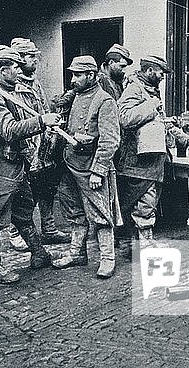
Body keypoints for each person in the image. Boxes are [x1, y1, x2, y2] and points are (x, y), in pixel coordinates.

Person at [0, 45, 62, 284]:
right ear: (1, 71)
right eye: (14, 68)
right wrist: (41, 121)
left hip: (13, 162)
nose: (19, 71)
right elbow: (9, 130)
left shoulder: (10, 92)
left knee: (23, 207)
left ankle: (38, 253)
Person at [116, 56, 189, 249]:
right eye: (160, 72)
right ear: (149, 70)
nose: (162, 76)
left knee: (147, 202)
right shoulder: (134, 88)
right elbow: (124, 118)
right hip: (137, 162)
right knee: (143, 203)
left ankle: (140, 244)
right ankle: (142, 246)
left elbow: (160, 121)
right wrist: (150, 106)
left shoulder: (151, 90)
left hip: (151, 161)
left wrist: (183, 138)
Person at [51, 56, 121, 278]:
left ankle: (108, 258)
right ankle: (77, 253)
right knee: (74, 211)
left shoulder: (104, 100)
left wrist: (98, 171)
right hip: (70, 164)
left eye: (77, 75)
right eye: (72, 74)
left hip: (91, 168)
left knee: (101, 214)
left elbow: (110, 140)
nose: (72, 79)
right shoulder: (74, 97)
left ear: (91, 75)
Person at [7, 38, 70, 250]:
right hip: (27, 147)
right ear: (19, 59)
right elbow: (18, 123)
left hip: (44, 146)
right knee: (26, 193)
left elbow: (42, 110)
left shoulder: (35, 82)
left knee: (47, 188)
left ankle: (49, 229)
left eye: (36, 56)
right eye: (31, 57)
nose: (35, 61)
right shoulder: (13, 88)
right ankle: (15, 232)